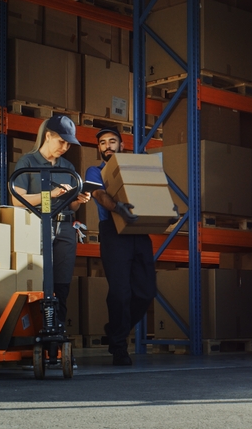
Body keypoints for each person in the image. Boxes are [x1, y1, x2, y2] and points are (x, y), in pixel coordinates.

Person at [11, 115, 91, 365]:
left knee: (61, 287)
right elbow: (17, 199)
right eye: (61, 141)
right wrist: (51, 193)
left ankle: (56, 346)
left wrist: (78, 200)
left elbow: (71, 207)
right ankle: (36, 342)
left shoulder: (67, 167)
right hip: (37, 226)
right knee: (38, 286)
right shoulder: (28, 162)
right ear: (48, 135)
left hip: (64, 228)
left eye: (68, 144)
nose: (65, 147)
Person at [86, 127, 156, 366]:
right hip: (113, 232)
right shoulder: (94, 171)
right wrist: (118, 208)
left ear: (122, 145)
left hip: (138, 230)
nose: (107, 146)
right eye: (103, 142)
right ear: (99, 148)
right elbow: (98, 193)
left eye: (112, 141)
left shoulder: (136, 167)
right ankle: (118, 347)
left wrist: (164, 211)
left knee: (146, 291)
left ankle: (114, 328)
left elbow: (152, 191)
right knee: (120, 292)